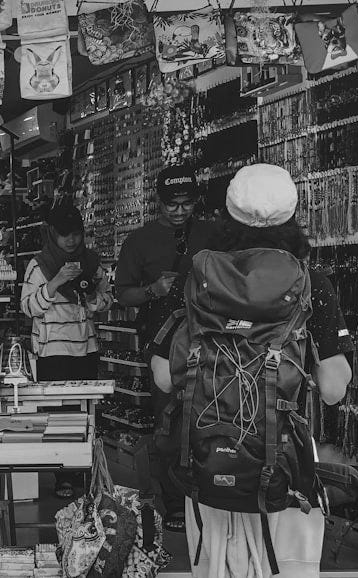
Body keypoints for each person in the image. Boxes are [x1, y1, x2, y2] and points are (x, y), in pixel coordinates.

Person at [148, 164, 353, 578]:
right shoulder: (313, 284)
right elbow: (332, 388)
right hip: (288, 471)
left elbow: (163, 377)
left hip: (207, 465)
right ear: (293, 217)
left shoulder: (195, 279)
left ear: (227, 215)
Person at [115, 165, 223, 531]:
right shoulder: (140, 241)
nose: (179, 211)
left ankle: (212, 491)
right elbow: (122, 292)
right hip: (162, 343)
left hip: (211, 339)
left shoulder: (212, 233)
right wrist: (152, 291)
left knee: (213, 415)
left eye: (186, 203)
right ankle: (174, 500)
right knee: (167, 420)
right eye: (171, 204)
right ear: (158, 201)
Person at [21, 202, 112, 498]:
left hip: (85, 348)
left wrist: (92, 298)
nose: (71, 241)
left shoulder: (91, 262)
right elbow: (28, 307)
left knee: (86, 415)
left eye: (75, 234)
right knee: (58, 417)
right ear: (52, 234)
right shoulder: (40, 265)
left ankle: (86, 471)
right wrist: (57, 281)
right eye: (64, 235)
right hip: (52, 352)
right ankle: (62, 474)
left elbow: (106, 301)